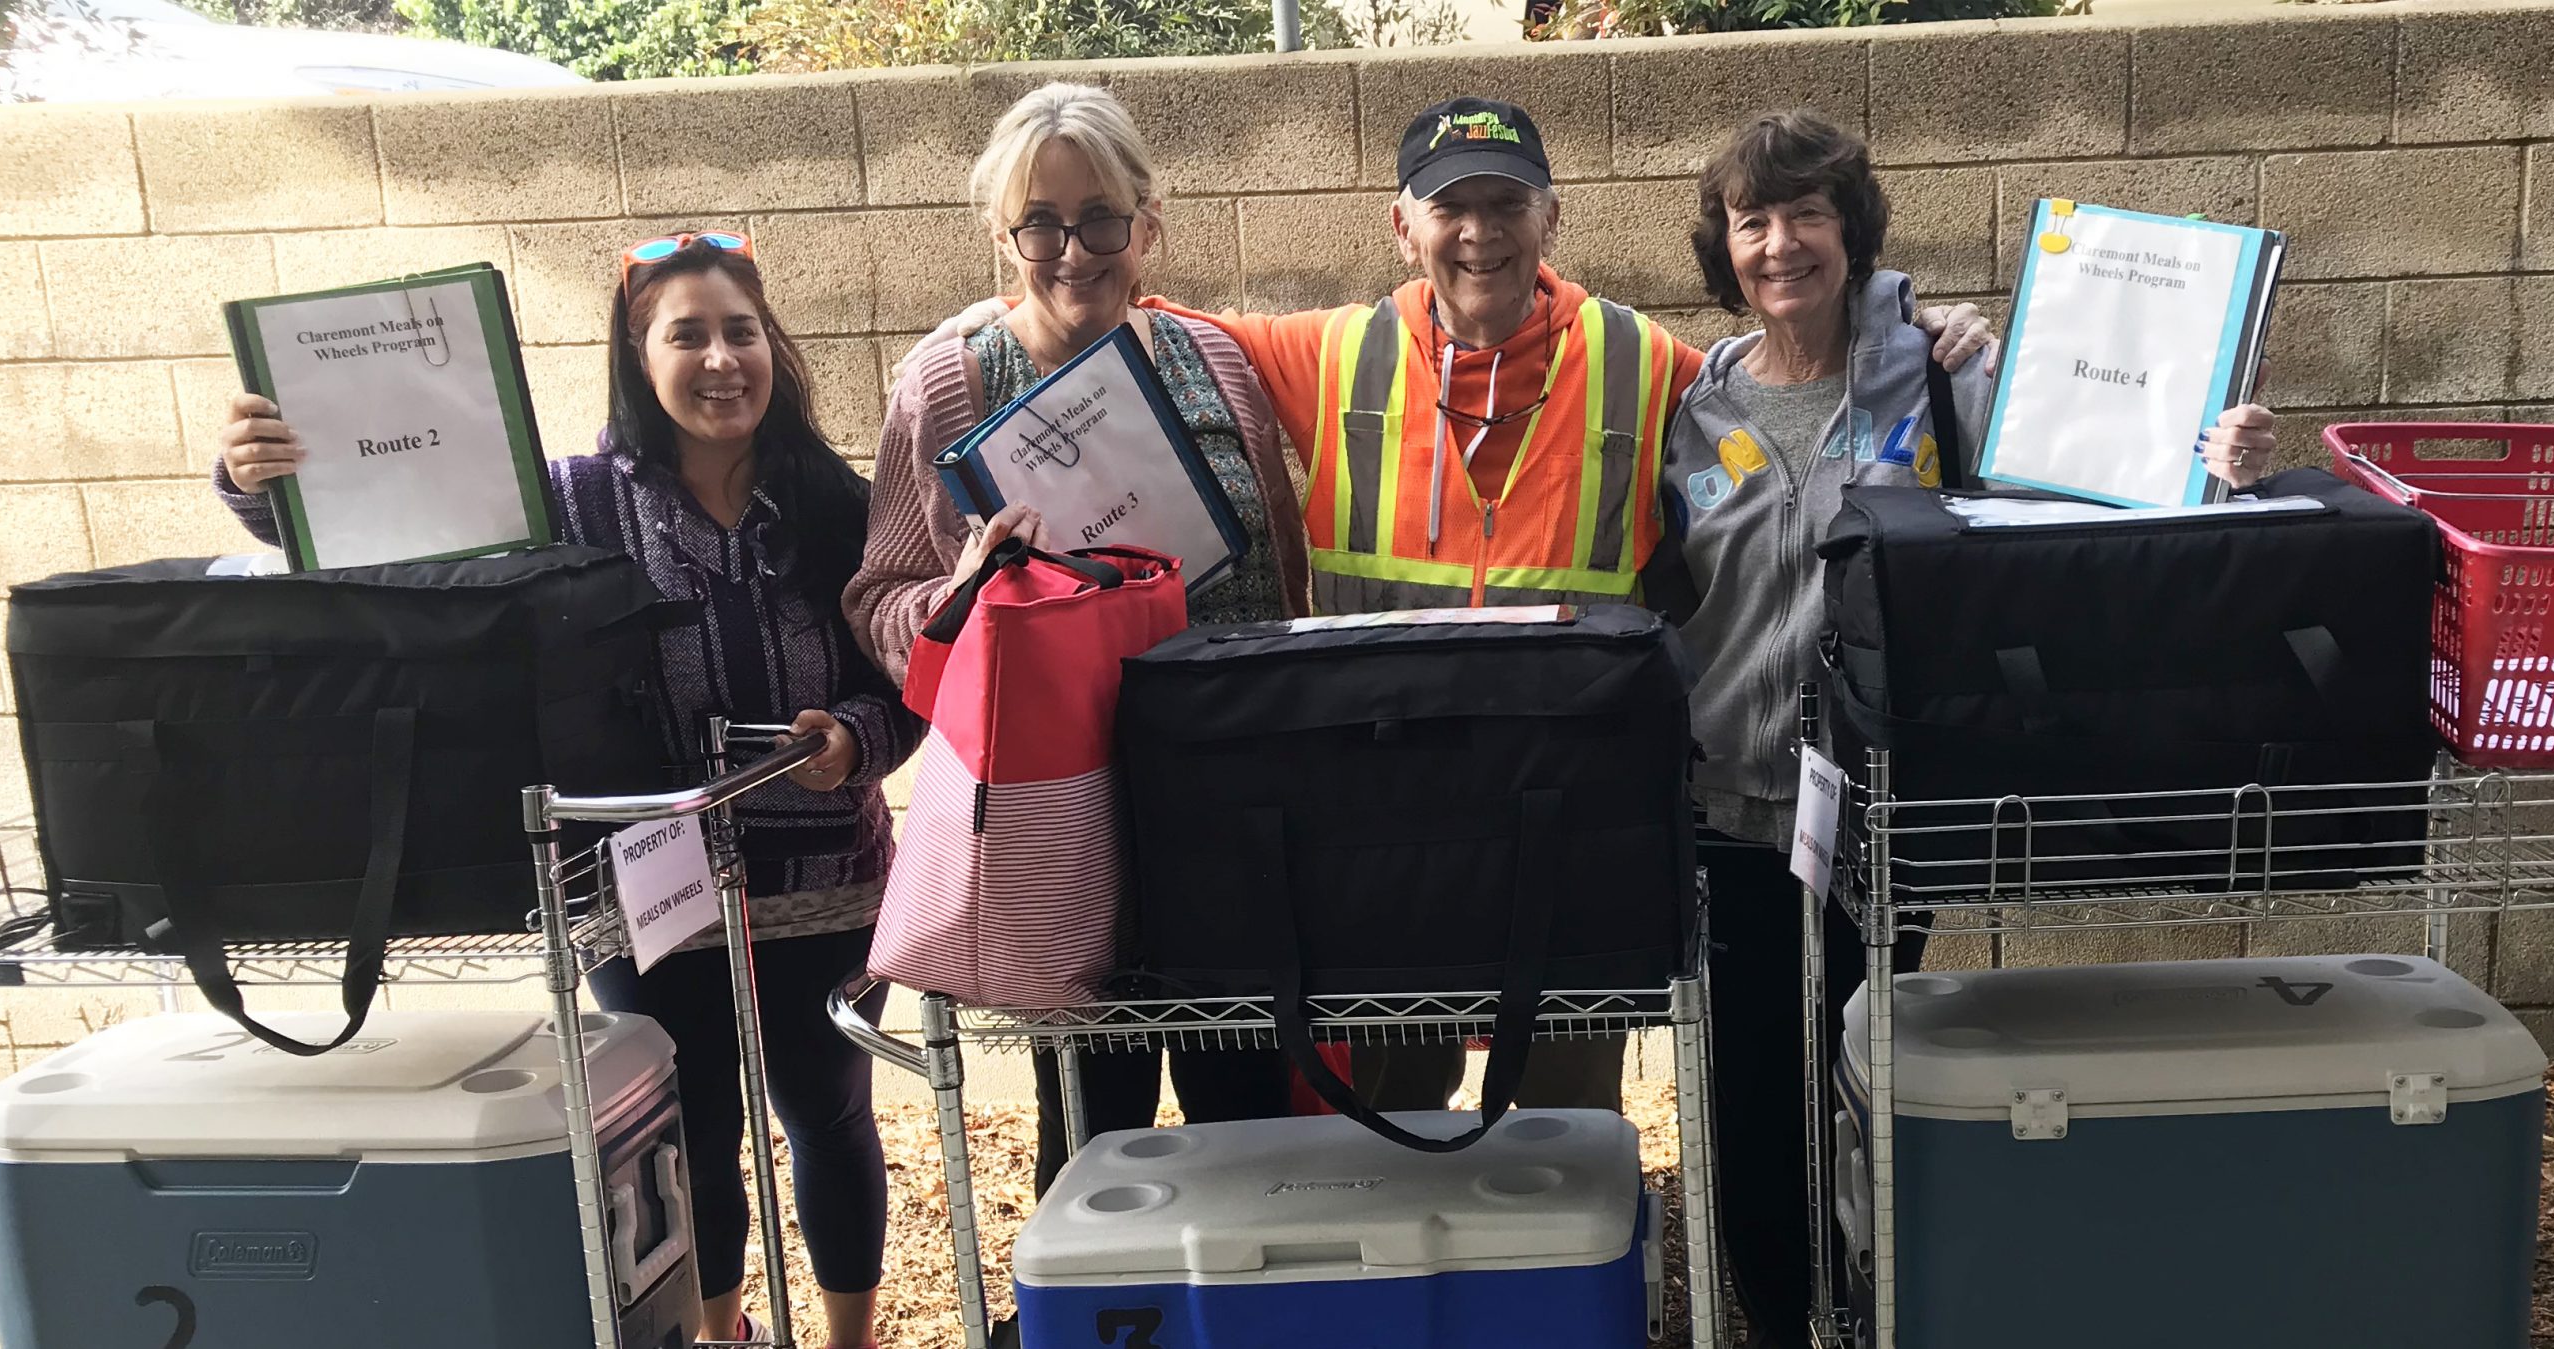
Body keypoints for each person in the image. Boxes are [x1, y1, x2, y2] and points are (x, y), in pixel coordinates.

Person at [904, 95, 1998, 1119]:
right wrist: (997, 312)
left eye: (1505, 204)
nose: (1479, 234)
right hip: (1389, 815)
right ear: (1401, 225)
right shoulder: (1316, 353)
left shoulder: (1648, 364)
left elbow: (1783, 370)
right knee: (1395, 1105)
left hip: (1573, 809)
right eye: (1451, 207)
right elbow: (1121, 297)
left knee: (1571, 1109)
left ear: (1549, 217)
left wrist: (1913, 329)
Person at [213, 231, 918, 1349]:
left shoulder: (843, 503)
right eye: (686, 334)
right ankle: (720, 1331)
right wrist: (266, 487)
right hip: (644, 887)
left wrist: (858, 737)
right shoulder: (567, 503)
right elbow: (407, 541)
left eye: (741, 330)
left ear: (771, 343)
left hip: (825, 877)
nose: (721, 357)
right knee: (689, 1129)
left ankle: (850, 1339)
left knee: (828, 1114)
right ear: (638, 357)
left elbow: (906, 673)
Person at [1660, 109, 2277, 1349]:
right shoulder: (1695, 403)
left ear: (1853, 228)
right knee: (1744, 1089)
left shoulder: (1946, 372)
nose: (1781, 244)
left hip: (1884, 808)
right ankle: (1782, 1316)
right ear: (1723, 248)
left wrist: (2226, 459)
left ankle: (1883, 1299)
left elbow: (2108, 485)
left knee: (1866, 1071)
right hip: (1727, 810)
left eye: (1808, 214)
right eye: (1752, 221)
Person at [843, 83, 1305, 1195]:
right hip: (1063, 811)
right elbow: (881, 604)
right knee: (1094, 1133)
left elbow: (1283, 583)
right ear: (1003, 233)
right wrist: (962, 588)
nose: (1072, 249)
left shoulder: (1216, 359)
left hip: (1222, 802)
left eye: (1100, 216)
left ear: (1148, 220)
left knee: (1247, 1115)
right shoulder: (948, 381)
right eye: (1039, 222)